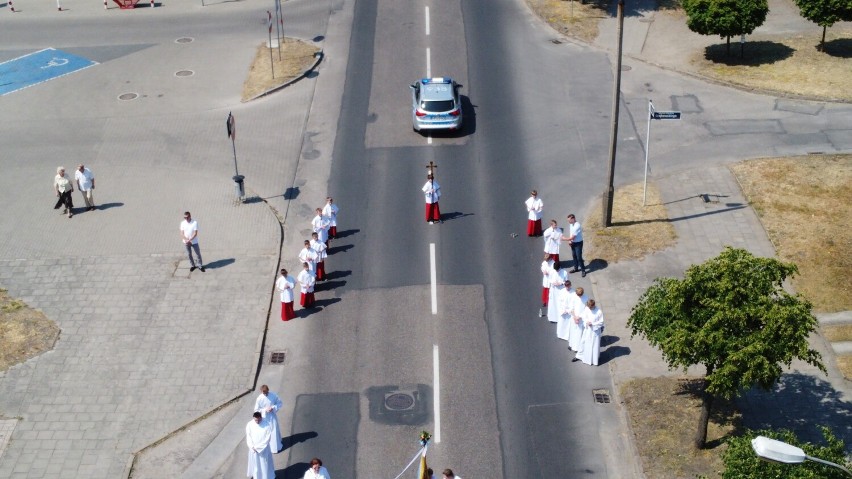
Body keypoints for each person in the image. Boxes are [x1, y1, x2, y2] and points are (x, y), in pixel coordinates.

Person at [245, 412, 275, 479]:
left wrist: (258, 448)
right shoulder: (249, 424)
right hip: (253, 449)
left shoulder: (266, 424)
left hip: (263, 450)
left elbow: (267, 438)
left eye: (258, 420)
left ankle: (266, 476)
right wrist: (252, 446)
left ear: (261, 417)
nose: (257, 422)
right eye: (255, 420)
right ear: (253, 418)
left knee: (264, 464)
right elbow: (248, 436)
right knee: (255, 464)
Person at [254, 385, 283, 453]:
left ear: (268, 390)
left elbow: (279, 403)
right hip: (264, 417)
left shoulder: (273, 395)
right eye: (264, 393)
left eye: (266, 392)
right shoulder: (259, 399)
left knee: (274, 431)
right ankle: (266, 446)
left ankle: (275, 447)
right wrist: (264, 410)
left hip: (272, 416)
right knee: (266, 432)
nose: (265, 394)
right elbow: (256, 410)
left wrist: (273, 407)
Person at [575, 299, 604, 365]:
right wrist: (585, 321)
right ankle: (580, 356)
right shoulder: (587, 309)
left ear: (594, 305)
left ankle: (593, 360)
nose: (590, 308)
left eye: (591, 307)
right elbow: (584, 316)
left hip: (595, 332)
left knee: (594, 345)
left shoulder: (599, 311)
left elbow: (601, 322)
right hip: (588, 330)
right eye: (589, 307)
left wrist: (593, 324)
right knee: (584, 342)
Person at [568, 287, 589, 352]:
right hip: (574, 317)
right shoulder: (573, 296)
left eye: (580, 295)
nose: (579, 296)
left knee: (579, 333)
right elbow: (571, 307)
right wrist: (574, 317)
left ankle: (577, 347)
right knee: (573, 331)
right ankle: (571, 345)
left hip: (581, 318)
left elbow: (586, 309)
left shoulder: (586, 298)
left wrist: (579, 317)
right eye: (578, 295)